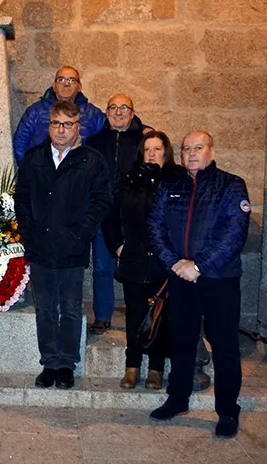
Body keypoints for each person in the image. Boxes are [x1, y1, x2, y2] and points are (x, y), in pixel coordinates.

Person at [147, 131, 250, 438]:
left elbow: (234, 234)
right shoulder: (170, 185)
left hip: (220, 279)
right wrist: (175, 264)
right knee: (181, 342)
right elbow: (155, 227)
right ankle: (177, 399)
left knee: (225, 346)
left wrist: (199, 265)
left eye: (198, 148)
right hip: (181, 278)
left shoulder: (231, 185)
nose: (191, 153)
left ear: (211, 152)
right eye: (186, 149)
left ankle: (227, 411)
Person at [15, 100, 112, 390]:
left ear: (77, 127)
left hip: (72, 248)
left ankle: (67, 364)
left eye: (68, 124)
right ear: (49, 126)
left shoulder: (91, 160)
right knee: (44, 308)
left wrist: (81, 233)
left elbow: (102, 201)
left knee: (70, 308)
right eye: (56, 123)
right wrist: (29, 232)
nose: (61, 130)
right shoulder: (34, 157)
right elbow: (22, 199)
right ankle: (49, 363)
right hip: (40, 247)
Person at [104, 130, 178, 390]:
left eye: (157, 149)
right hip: (134, 258)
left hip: (164, 261)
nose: (152, 154)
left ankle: (156, 369)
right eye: (147, 150)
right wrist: (118, 246)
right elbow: (110, 216)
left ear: (166, 152)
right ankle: (132, 366)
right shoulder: (128, 181)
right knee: (135, 314)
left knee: (161, 314)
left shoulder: (176, 180)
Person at [85, 94, 151, 335]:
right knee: (102, 268)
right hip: (104, 213)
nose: (118, 112)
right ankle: (102, 315)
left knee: (141, 267)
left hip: (134, 214)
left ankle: (144, 317)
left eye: (124, 108)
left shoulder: (143, 141)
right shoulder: (94, 142)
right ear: (106, 113)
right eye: (113, 107)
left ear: (132, 114)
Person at [12, 66, 105, 165]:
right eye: (61, 80)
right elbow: (20, 143)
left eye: (72, 80)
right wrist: (30, 169)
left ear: (79, 87)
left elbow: (106, 143)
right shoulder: (35, 112)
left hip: (82, 171)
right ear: (54, 85)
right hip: (43, 170)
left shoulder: (93, 114)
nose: (66, 84)